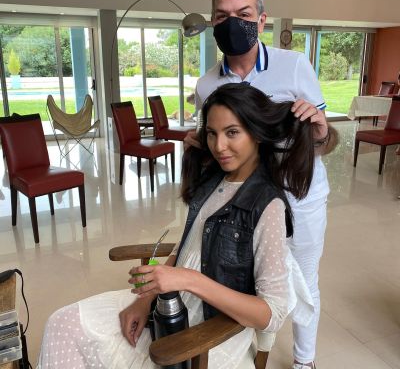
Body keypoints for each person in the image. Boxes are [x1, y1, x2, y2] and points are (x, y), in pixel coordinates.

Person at [37, 83, 316, 369]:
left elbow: (272, 313)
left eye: (232, 132)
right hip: (169, 306)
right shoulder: (216, 179)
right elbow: (188, 248)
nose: (219, 146)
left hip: (207, 334)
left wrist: (188, 279)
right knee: (62, 324)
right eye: (212, 133)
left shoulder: (268, 206)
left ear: (256, 133)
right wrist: (145, 299)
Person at [183, 0, 339, 368]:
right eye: (222, 16)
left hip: (300, 200)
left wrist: (321, 130)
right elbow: (221, 150)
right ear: (212, 21)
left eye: (243, 13)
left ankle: (304, 360)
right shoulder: (206, 85)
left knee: (305, 282)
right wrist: (201, 144)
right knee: (248, 284)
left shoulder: (294, 66)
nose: (232, 22)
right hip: (247, 207)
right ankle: (242, 351)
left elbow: (325, 140)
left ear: (262, 20)